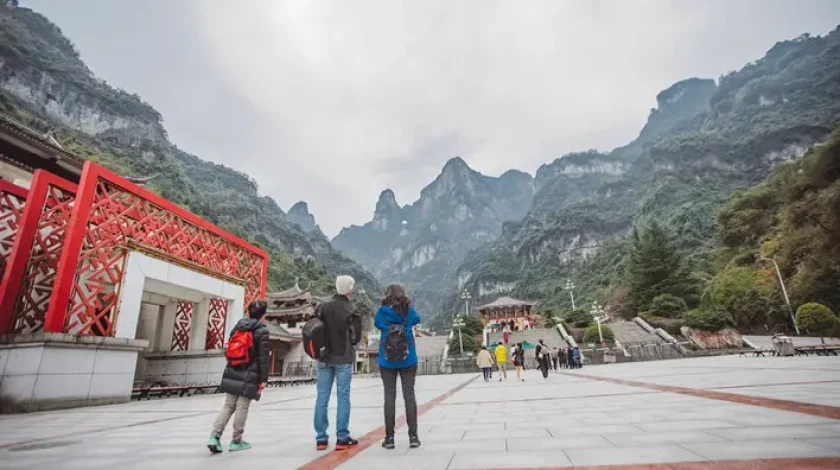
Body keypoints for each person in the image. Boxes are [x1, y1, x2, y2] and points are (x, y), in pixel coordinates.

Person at [207, 300, 270, 453]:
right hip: (251, 373)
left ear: (248, 312)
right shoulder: (262, 331)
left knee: (228, 405)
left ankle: (214, 437)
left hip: (233, 369)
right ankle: (236, 441)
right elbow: (263, 358)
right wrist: (263, 379)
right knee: (242, 406)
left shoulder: (238, 326)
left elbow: (229, 349)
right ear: (263, 315)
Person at [314, 275, 363, 451]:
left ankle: (321, 438)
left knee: (322, 397)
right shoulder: (351, 309)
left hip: (323, 357)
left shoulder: (321, 307)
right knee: (343, 396)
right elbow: (356, 337)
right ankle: (342, 437)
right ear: (350, 289)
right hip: (343, 357)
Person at [375, 284, 422, 450]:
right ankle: (413, 437)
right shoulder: (408, 311)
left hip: (387, 360)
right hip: (408, 359)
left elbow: (378, 324)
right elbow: (418, 319)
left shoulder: (382, 312)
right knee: (409, 395)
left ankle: (389, 438)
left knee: (389, 397)